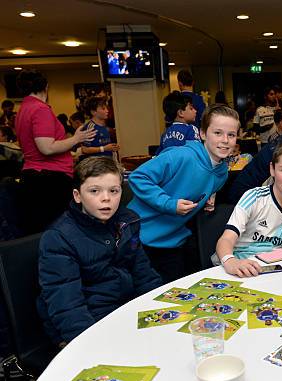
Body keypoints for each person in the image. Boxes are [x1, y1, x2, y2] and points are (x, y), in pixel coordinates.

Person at [37, 157, 162, 346]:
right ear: (77, 196)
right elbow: (67, 305)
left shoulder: (129, 221)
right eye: (94, 191)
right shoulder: (58, 238)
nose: (106, 198)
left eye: (114, 191)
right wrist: (89, 345)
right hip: (90, 321)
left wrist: (161, 307)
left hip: (125, 308)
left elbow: (143, 272)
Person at [128, 104, 239, 283]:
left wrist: (208, 197)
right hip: (140, 237)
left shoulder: (222, 173)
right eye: (217, 133)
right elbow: (138, 177)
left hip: (174, 240)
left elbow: (201, 184)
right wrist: (169, 203)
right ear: (203, 134)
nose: (225, 140)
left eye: (231, 135)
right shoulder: (181, 156)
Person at [15, 69, 97, 234]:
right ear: (46, 87)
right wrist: (76, 138)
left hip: (34, 176)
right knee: (61, 232)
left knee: (42, 231)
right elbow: (46, 147)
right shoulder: (40, 109)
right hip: (50, 180)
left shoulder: (23, 109)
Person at [216, 139, 282, 277]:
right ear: (272, 169)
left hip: (272, 271)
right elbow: (226, 239)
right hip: (239, 266)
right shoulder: (254, 197)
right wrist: (230, 262)